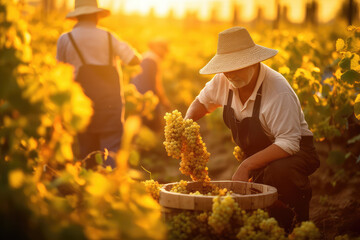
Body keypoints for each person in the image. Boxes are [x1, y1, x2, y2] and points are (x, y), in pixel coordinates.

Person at [185, 26, 320, 231]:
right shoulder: (224, 80)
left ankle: (296, 224)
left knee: (280, 173)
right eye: (226, 67)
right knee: (257, 201)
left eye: (236, 66)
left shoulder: (277, 91)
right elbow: (202, 102)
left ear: (254, 62)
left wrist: (246, 165)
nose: (229, 73)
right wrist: (187, 125)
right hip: (259, 154)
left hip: (295, 152)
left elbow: (289, 143)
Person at [56, 0, 141, 168]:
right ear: (96, 15)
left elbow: (59, 74)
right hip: (110, 105)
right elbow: (134, 59)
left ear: (77, 16)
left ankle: (88, 188)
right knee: (111, 152)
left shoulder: (65, 39)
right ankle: (110, 189)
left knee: (87, 153)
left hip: (81, 106)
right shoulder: (109, 36)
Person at [131, 38, 170, 131]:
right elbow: (157, 84)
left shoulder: (144, 56)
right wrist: (164, 102)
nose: (165, 53)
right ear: (157, 47)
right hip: (147, 98)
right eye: (164, 49)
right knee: (154, 127)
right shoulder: (153, 59)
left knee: (139, 127)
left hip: (136, 96)